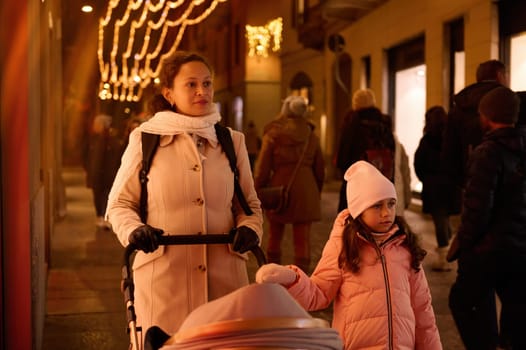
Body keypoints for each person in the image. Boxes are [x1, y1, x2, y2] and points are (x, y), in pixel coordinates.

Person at [105, 51, 264, 341]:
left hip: (225, 286)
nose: (202, 91)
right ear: (169, 93)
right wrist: (134, 231)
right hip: (164, 285)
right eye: (191, 84)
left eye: (207, 83)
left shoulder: (232, 142)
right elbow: (120, 204)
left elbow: (248, 205)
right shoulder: (145, 139)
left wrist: (250, 228)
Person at [256, 161, 442, 349]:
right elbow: (318, 295)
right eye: (377, 206)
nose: (387, 212)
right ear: (359, 210)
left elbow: (423, 311)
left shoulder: (405, 247)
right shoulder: (343, 246)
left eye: (391, 204)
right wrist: (290, 278)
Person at [448, 87, 526, 350]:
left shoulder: (487, 152)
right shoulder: (521, 147)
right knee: (515, 308)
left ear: (488, 116)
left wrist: (464, 243)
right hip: (519, 248)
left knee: (462, 300)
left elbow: (477, 208)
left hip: (489, 249)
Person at [253, 95, 325, 273]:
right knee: (303, 240)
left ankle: (272, 275)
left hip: (279, 188)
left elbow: (263, 167)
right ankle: (301, 280)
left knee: (275, 236)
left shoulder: (273, 133)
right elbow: (320, 169)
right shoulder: (312, 136)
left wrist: (257, 189)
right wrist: (315, 191)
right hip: (306, 188)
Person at [441, 59, 508, 191]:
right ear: (500, 75)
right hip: (508, 187)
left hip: (472, 185)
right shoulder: (510, 103)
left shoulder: (459, 108)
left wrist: (465, 182)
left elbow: (448, 155)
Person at [336, 88, 396, 213]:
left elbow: (343, 155)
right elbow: (392, 149)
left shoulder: (352, 123)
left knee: (354, 216)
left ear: (355, 103)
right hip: (382, 177)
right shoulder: (384, 123)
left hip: (358, 179)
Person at [414, 106, 456, 271]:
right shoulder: (451, 139)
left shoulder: (426, 141)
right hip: (451, 186)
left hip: (434, 187)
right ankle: (447, 248)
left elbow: (418, 164)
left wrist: (426, 179)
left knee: (440, 219)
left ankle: (445, 257)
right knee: (444, 219)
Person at [86, 99, 126, 229]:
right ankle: (101, 216)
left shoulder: (109, 140)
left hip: (106, 174)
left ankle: (104, 216)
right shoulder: (95, 139)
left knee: (105, 196)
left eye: (97, 124)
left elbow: (111, 157)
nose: (94, 126)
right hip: (99, 173)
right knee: (99, 196)